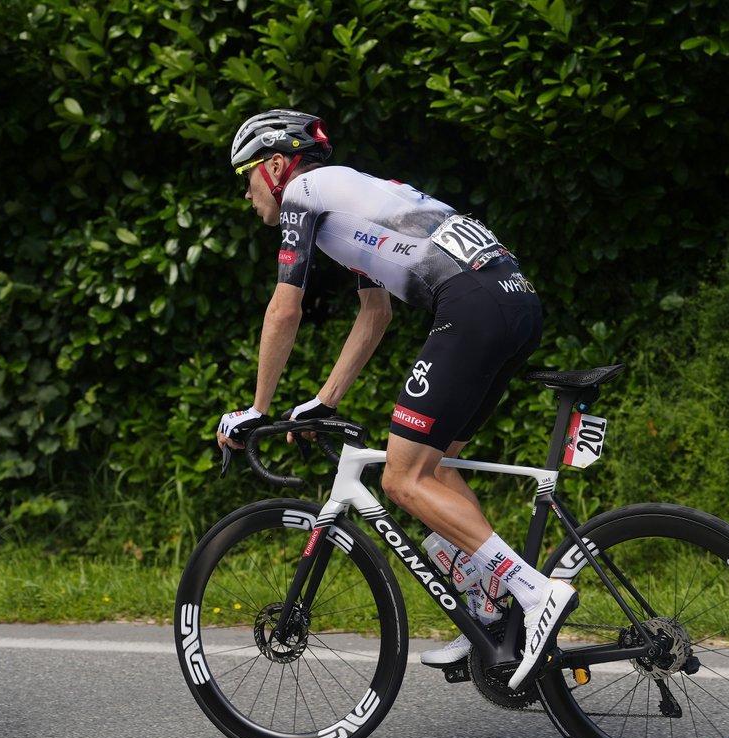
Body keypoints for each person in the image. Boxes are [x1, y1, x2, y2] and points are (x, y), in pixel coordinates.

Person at [214, 109, 576, 690]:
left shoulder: (305, 193)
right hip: (514, 300)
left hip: (473, 305)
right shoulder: (353, 196)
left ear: (276, 166)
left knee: (401, 479)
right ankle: (492, 611)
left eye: (248, 176)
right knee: (431, 468)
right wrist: (324, 400)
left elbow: (285, 308)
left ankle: (536, 594)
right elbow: (374, 313)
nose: (249, 194)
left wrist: (258, 408)